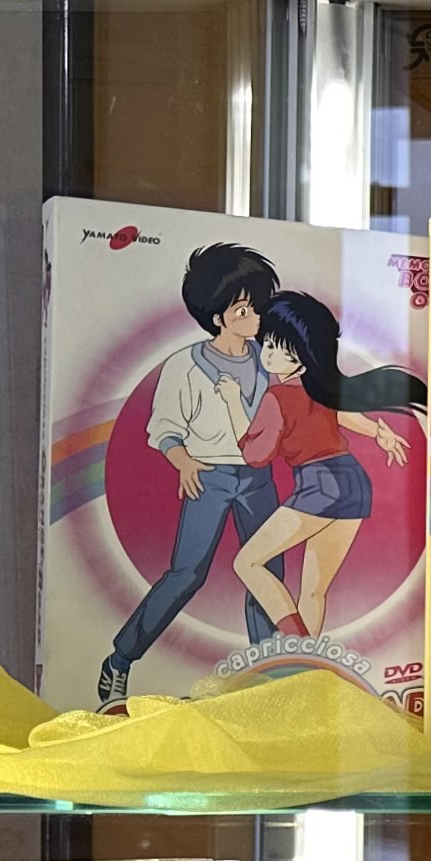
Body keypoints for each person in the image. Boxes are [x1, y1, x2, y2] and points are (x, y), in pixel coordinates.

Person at [98, 240, 283, 709]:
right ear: (218, 316)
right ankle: (121, 659)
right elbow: (163, 428)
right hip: (208, 476)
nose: (255, 317)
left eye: (258, 307)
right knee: (186, 574)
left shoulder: (271, 359)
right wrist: (182, 461)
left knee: (266, 574)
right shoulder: (184, 365)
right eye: (243, 309)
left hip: (258, 478)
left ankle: (270, 680)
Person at [223, 289, 421, 644]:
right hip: (354, 483)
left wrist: (233, 403)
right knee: (314, 590)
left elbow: (256, 454)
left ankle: (296, 646)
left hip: (320, 485)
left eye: (282, 349)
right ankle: (308, 663)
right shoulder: (319, 387)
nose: (270, 354)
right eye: (269, 344)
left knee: (247, 563)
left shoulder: (277, 397)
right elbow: (343, 415)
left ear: (303, 358)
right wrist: (379, 432)